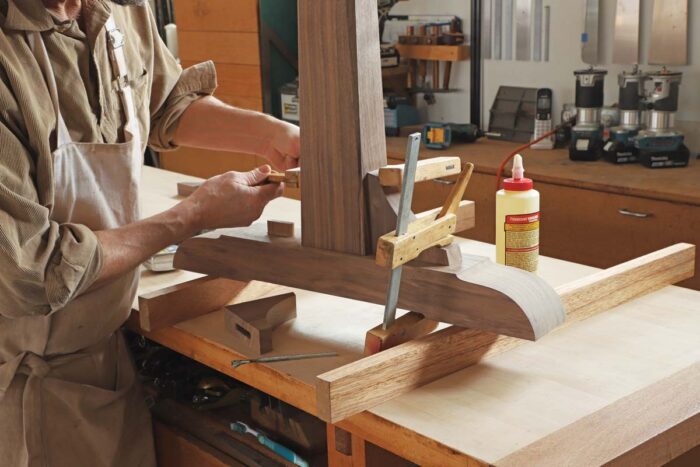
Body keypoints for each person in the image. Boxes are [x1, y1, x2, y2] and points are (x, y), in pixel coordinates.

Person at [0, 0, 301, 465]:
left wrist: (268, 136)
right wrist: (192, 216)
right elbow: (34, 272)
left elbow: (164, 103)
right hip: (20, 386)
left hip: (103, 351)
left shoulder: (117, 8)